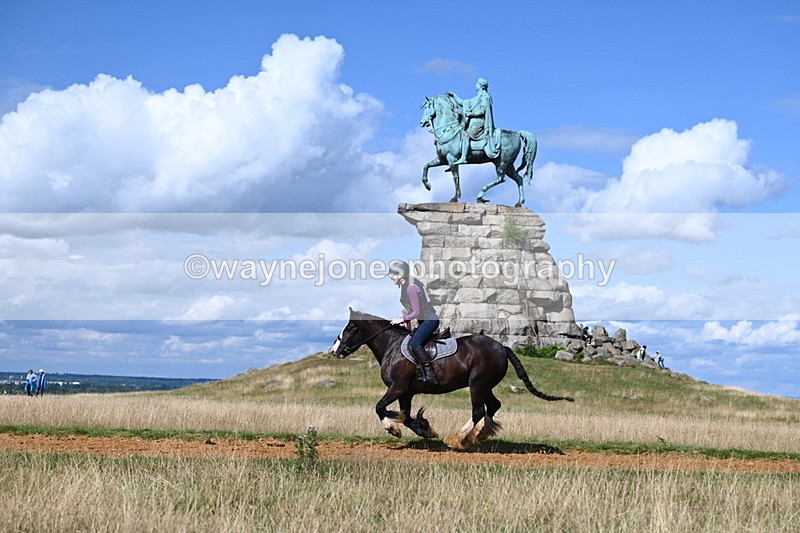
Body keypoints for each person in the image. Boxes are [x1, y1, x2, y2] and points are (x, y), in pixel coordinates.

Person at [388, 260, 440, 385]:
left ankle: (430, 374)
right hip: (424, 321)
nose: (391, 278)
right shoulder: (406, 286)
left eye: (393, 275)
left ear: (401, 275)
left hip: (430, 320)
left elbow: (416, 312)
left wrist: (400, 320)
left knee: (415, 343)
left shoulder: (411, 287)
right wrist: (407, 323)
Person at [447, 77, 498, 164]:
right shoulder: (476, 98)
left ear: (481, 86)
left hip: (479, 122)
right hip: (473, 122)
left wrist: (471, 114)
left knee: (465, 134)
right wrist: (454, 96)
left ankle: (463, 157)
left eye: (477, 83)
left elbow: (483, 110)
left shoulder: (485, 97)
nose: (475, 85)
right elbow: (463, 103)